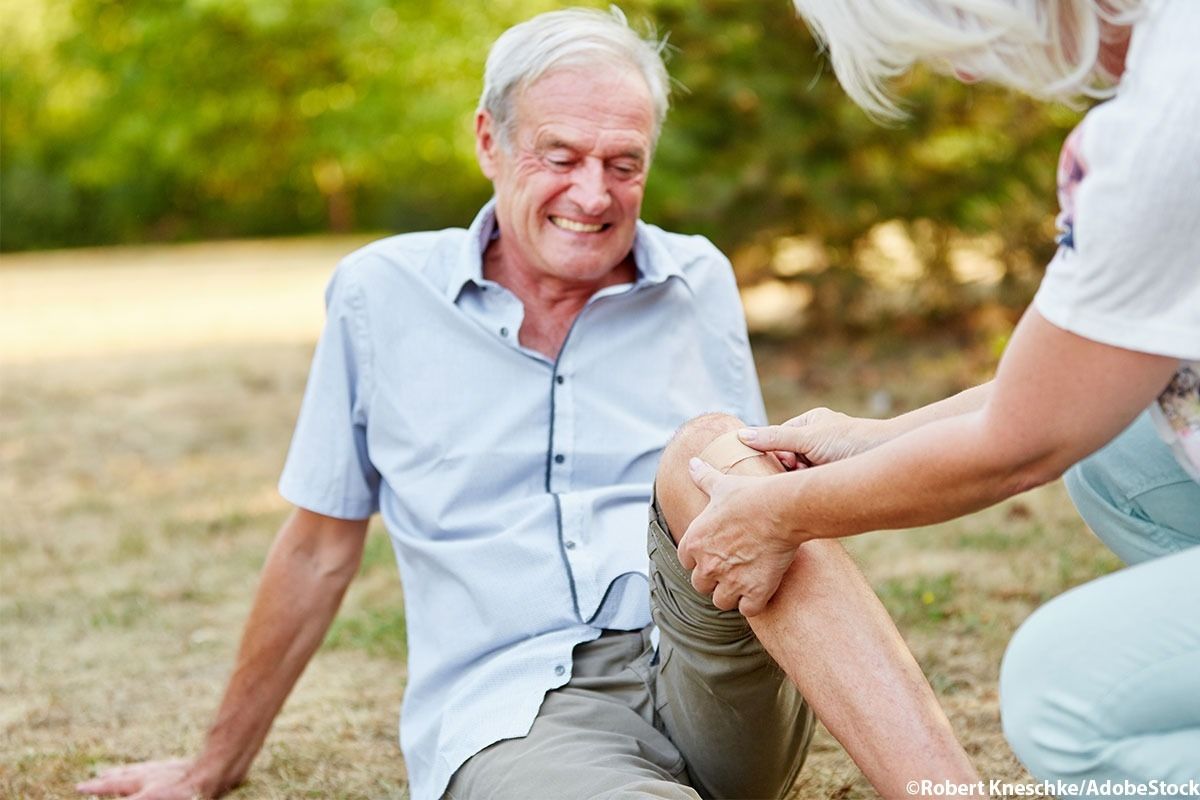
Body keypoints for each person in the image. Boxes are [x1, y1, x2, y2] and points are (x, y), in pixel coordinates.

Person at [75, 8, 983, 800]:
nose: (594, 195)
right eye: (561, 156)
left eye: (624, 164)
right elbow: (317, 546)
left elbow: (755, 524)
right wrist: (212, 765)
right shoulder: (378, 295)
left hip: (710, 673)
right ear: (488, 141)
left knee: (715, 452)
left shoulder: (696, 276)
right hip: (519, 713)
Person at [667, 0, 1200, 786]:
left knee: (1058, 693)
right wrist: (872, 437)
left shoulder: (1165, 126)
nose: (962, 69)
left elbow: (1020, 447)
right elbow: (1068, 386)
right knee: (1117, 453)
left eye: (957, 37)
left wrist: (779, 516)